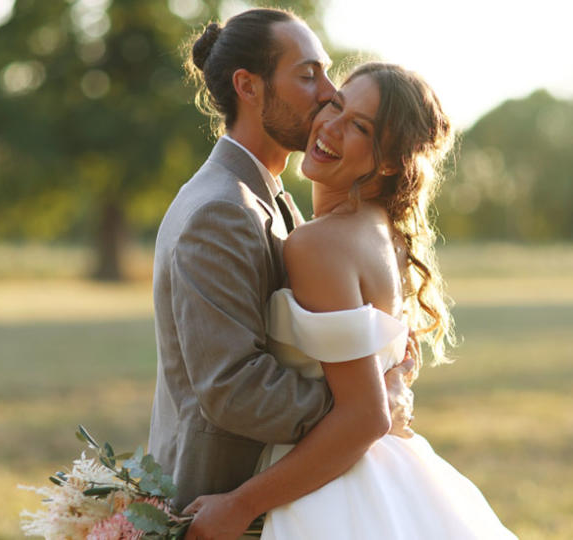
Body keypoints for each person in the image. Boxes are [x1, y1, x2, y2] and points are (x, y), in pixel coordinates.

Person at [182, 63, 517, 539]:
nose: (330, 127)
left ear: (388, 161)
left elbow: (364, 416)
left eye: (359, 127)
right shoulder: (382, 229)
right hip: (391, 474)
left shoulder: (320, 244)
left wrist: (240, 504)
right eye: (337, 105)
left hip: (335, 492)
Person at [148, 8, 416, 515]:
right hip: (215, 497)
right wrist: (366, 406)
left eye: (327, 73)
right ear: (248, 87)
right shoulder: (220, 210)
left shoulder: (278, 201)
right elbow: (234, 389)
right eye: (308, 74)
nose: (327, 93)